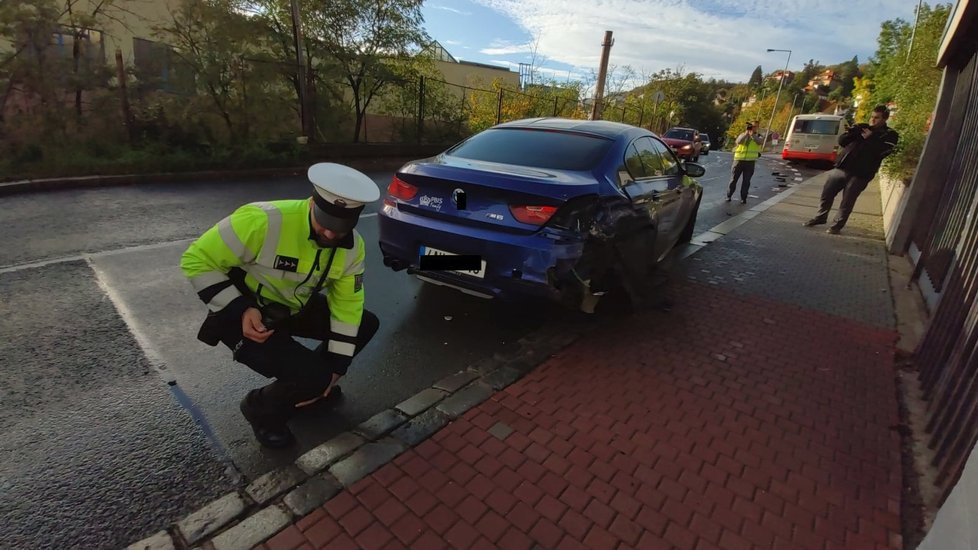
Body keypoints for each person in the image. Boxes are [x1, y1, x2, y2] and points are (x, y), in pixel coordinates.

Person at [180, 163, 381, 448]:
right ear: (312, 203)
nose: (331, 235)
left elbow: (348, 302)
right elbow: (196, 260)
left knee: (364, 323)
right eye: (325, 222)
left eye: (341, 227)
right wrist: (239, 308)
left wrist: (338, 365)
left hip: (291, 308)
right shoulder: (263, 221)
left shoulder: (353, 247)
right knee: (312, 375)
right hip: (243, 314)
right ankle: (260, 409)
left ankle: (310, 391)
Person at [804, 105, 899, 234]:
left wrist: (871, 138)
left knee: (848, 199)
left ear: (884, 119)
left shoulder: (890, 135)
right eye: (872, 117)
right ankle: (821, 217)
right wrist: (852, 132)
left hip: (862, 173)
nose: (873, 120)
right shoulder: (863, 127)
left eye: (877, 118)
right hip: (844, 167)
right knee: (827, 192)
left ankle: (837, 225)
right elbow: (842, 141)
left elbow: (883, 151)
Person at [727, 121, 764, 204]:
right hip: (738, 160)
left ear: (757, 128)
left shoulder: (758, 136)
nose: (753, 128)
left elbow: (759, 142)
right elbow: (739, 141)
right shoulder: (742, 134)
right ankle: (729, 195)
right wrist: (746, 134)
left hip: (750, 162)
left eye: (755, 127)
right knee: (733, 179)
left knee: (746, 181)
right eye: (752, 126)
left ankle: (743, 198)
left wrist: (752, 135)